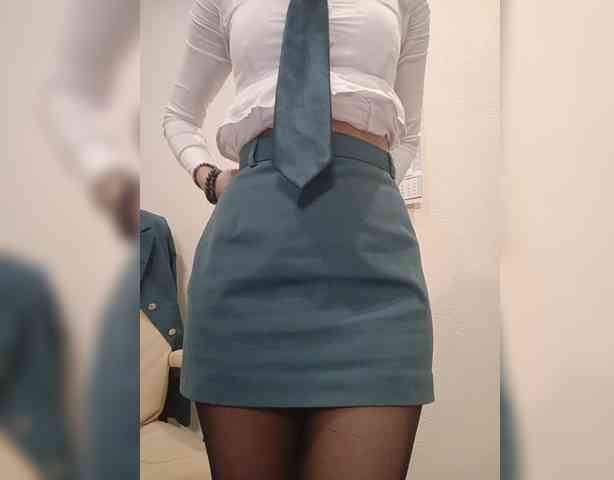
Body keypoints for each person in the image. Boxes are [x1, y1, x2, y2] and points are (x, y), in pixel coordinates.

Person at [162, 1, 434, 478]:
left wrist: (369, 177)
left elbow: (408, 133)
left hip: (372, 262)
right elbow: (178, 116)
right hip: (246, 259)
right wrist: (211, 179)